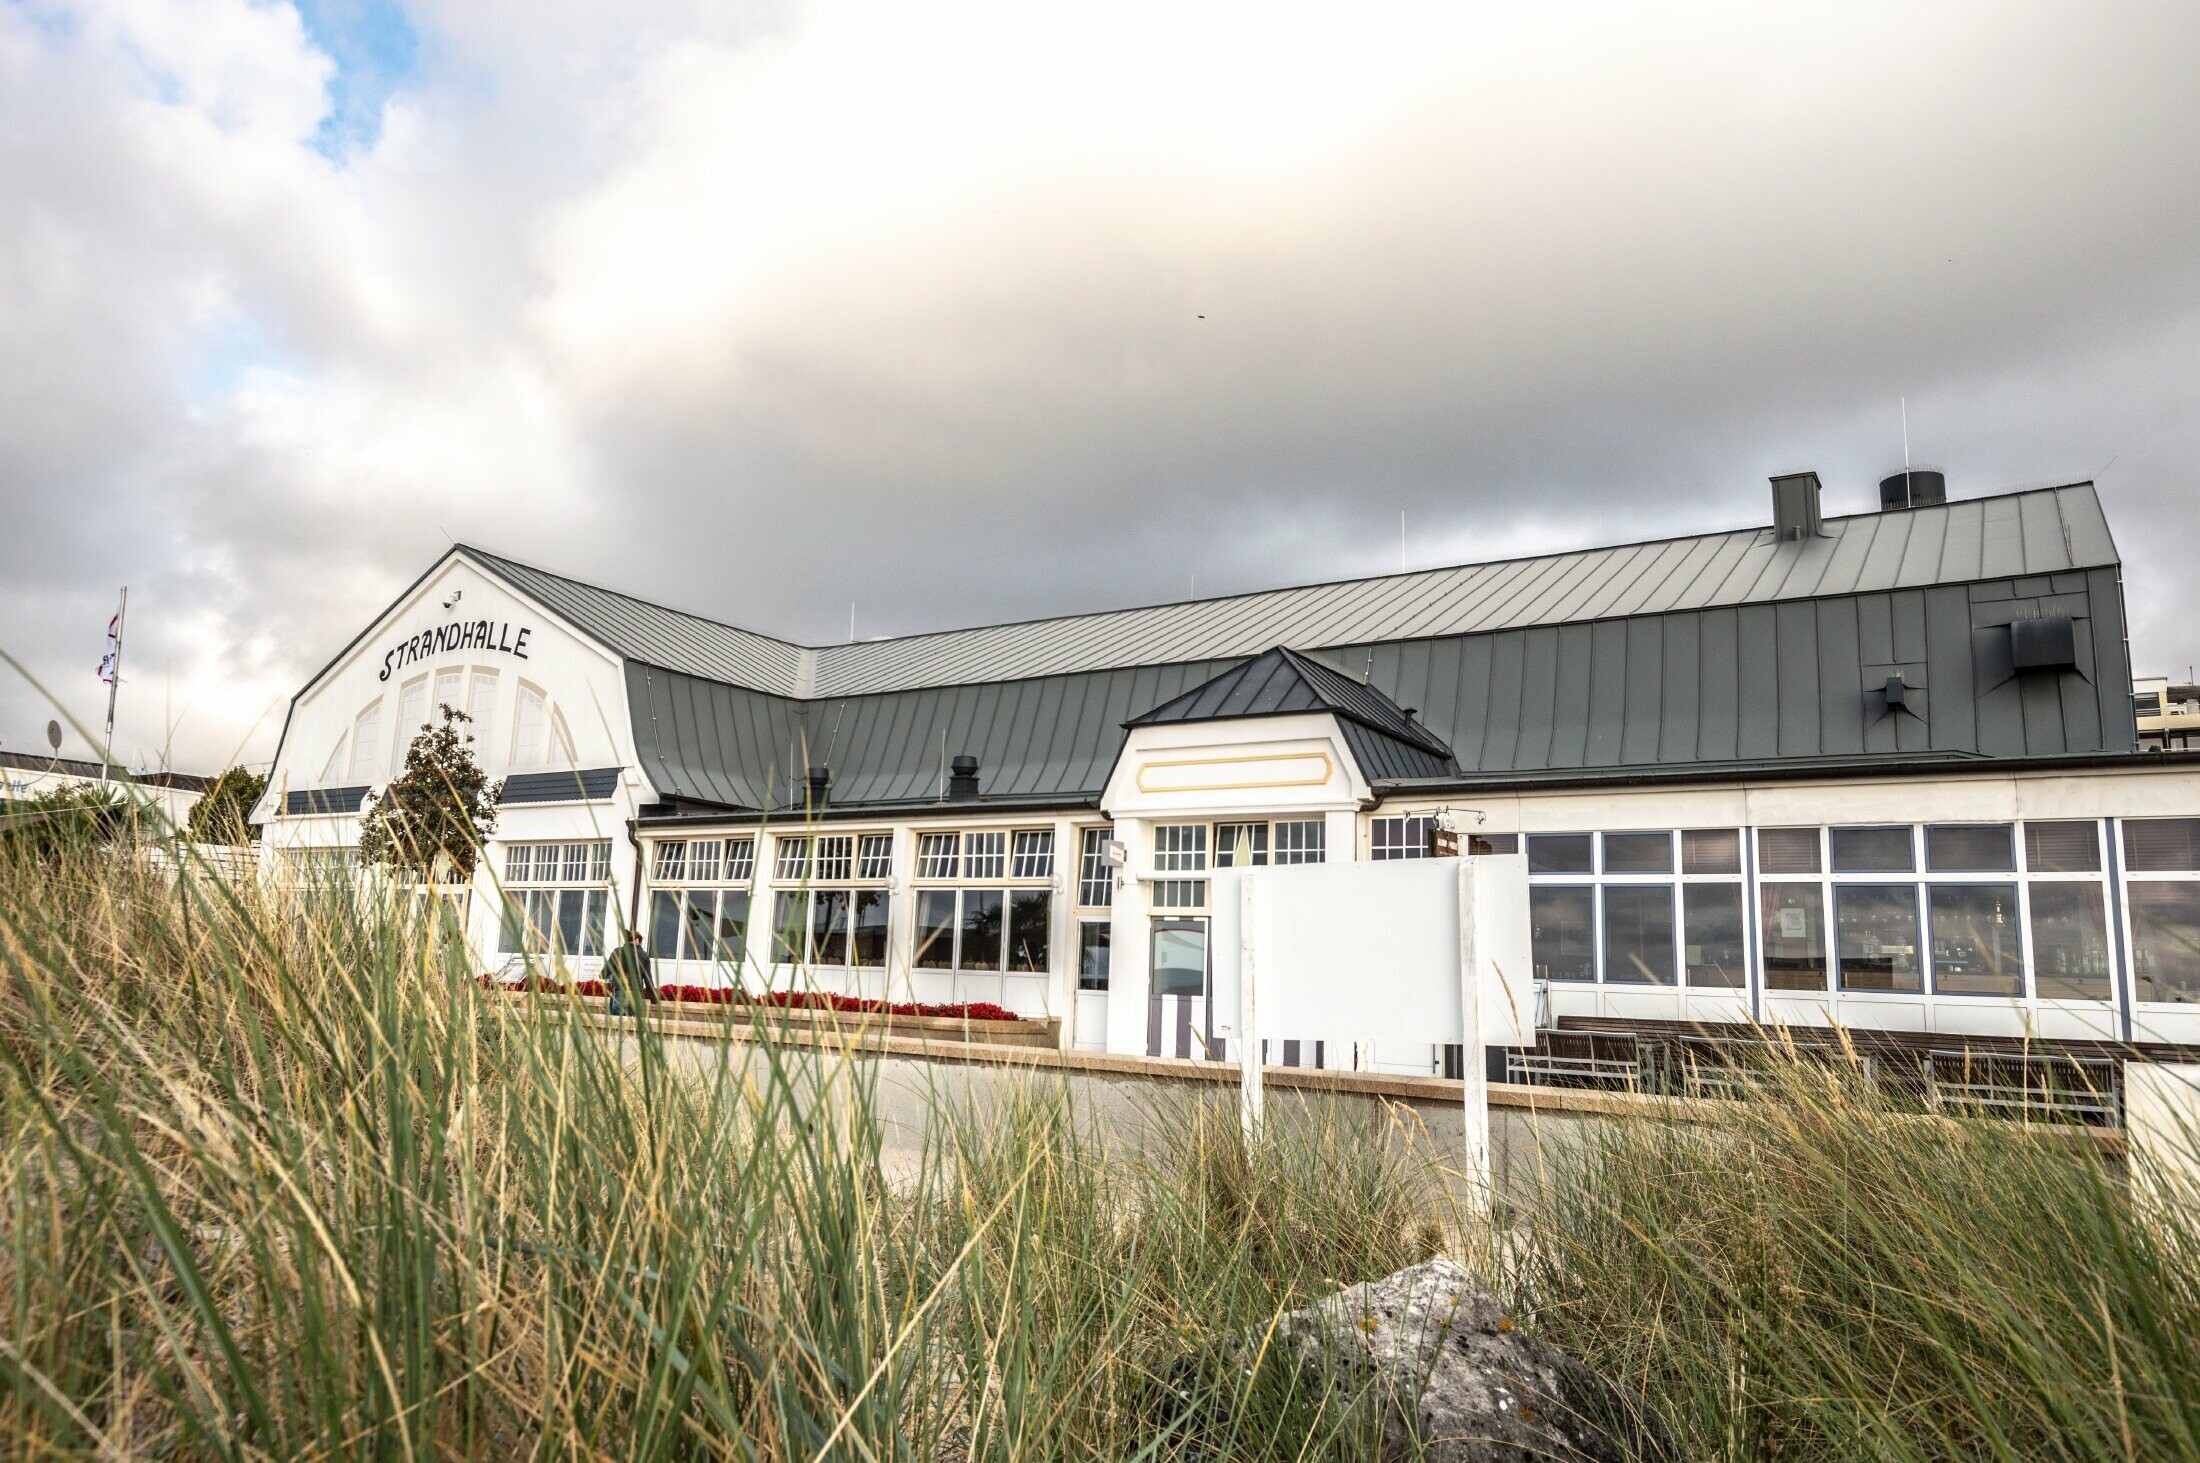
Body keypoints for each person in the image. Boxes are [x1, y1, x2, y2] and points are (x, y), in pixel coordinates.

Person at [604, 929, 655, 1016]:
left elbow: (605, 972)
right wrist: (653, 999)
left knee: (616, 1024)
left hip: (619, 992)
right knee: (632, 1024)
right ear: (637, 940)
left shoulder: (617, 951)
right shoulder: (644, 955)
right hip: (636, 994)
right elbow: (648, 979)